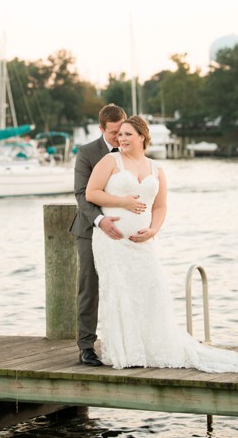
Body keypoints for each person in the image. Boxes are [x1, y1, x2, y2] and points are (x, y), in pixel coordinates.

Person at [85, 115, 238, 372]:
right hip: (112, 241)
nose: (122, 138)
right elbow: (91, 193)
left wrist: (153, 230)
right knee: (119, 292)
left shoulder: (155, 169)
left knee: (150, 291)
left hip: (142, 243)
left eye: (128, 134)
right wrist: (123, 203)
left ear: (142, 137)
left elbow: (160, 206)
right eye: (120, 134)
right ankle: (127, 351)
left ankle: (152, 346)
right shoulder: (110, 161)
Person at [70, 103, 145, 366]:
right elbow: (82, 194)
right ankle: (86, 346)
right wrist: (101, 221)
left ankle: (133, 342)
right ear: (101, 128)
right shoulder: (88, 153)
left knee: (128, 284)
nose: (119, 137)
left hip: (126, 233)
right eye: (113, 132)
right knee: (89, 286)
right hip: (91, 230)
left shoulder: (132, 151)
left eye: (123, 130)